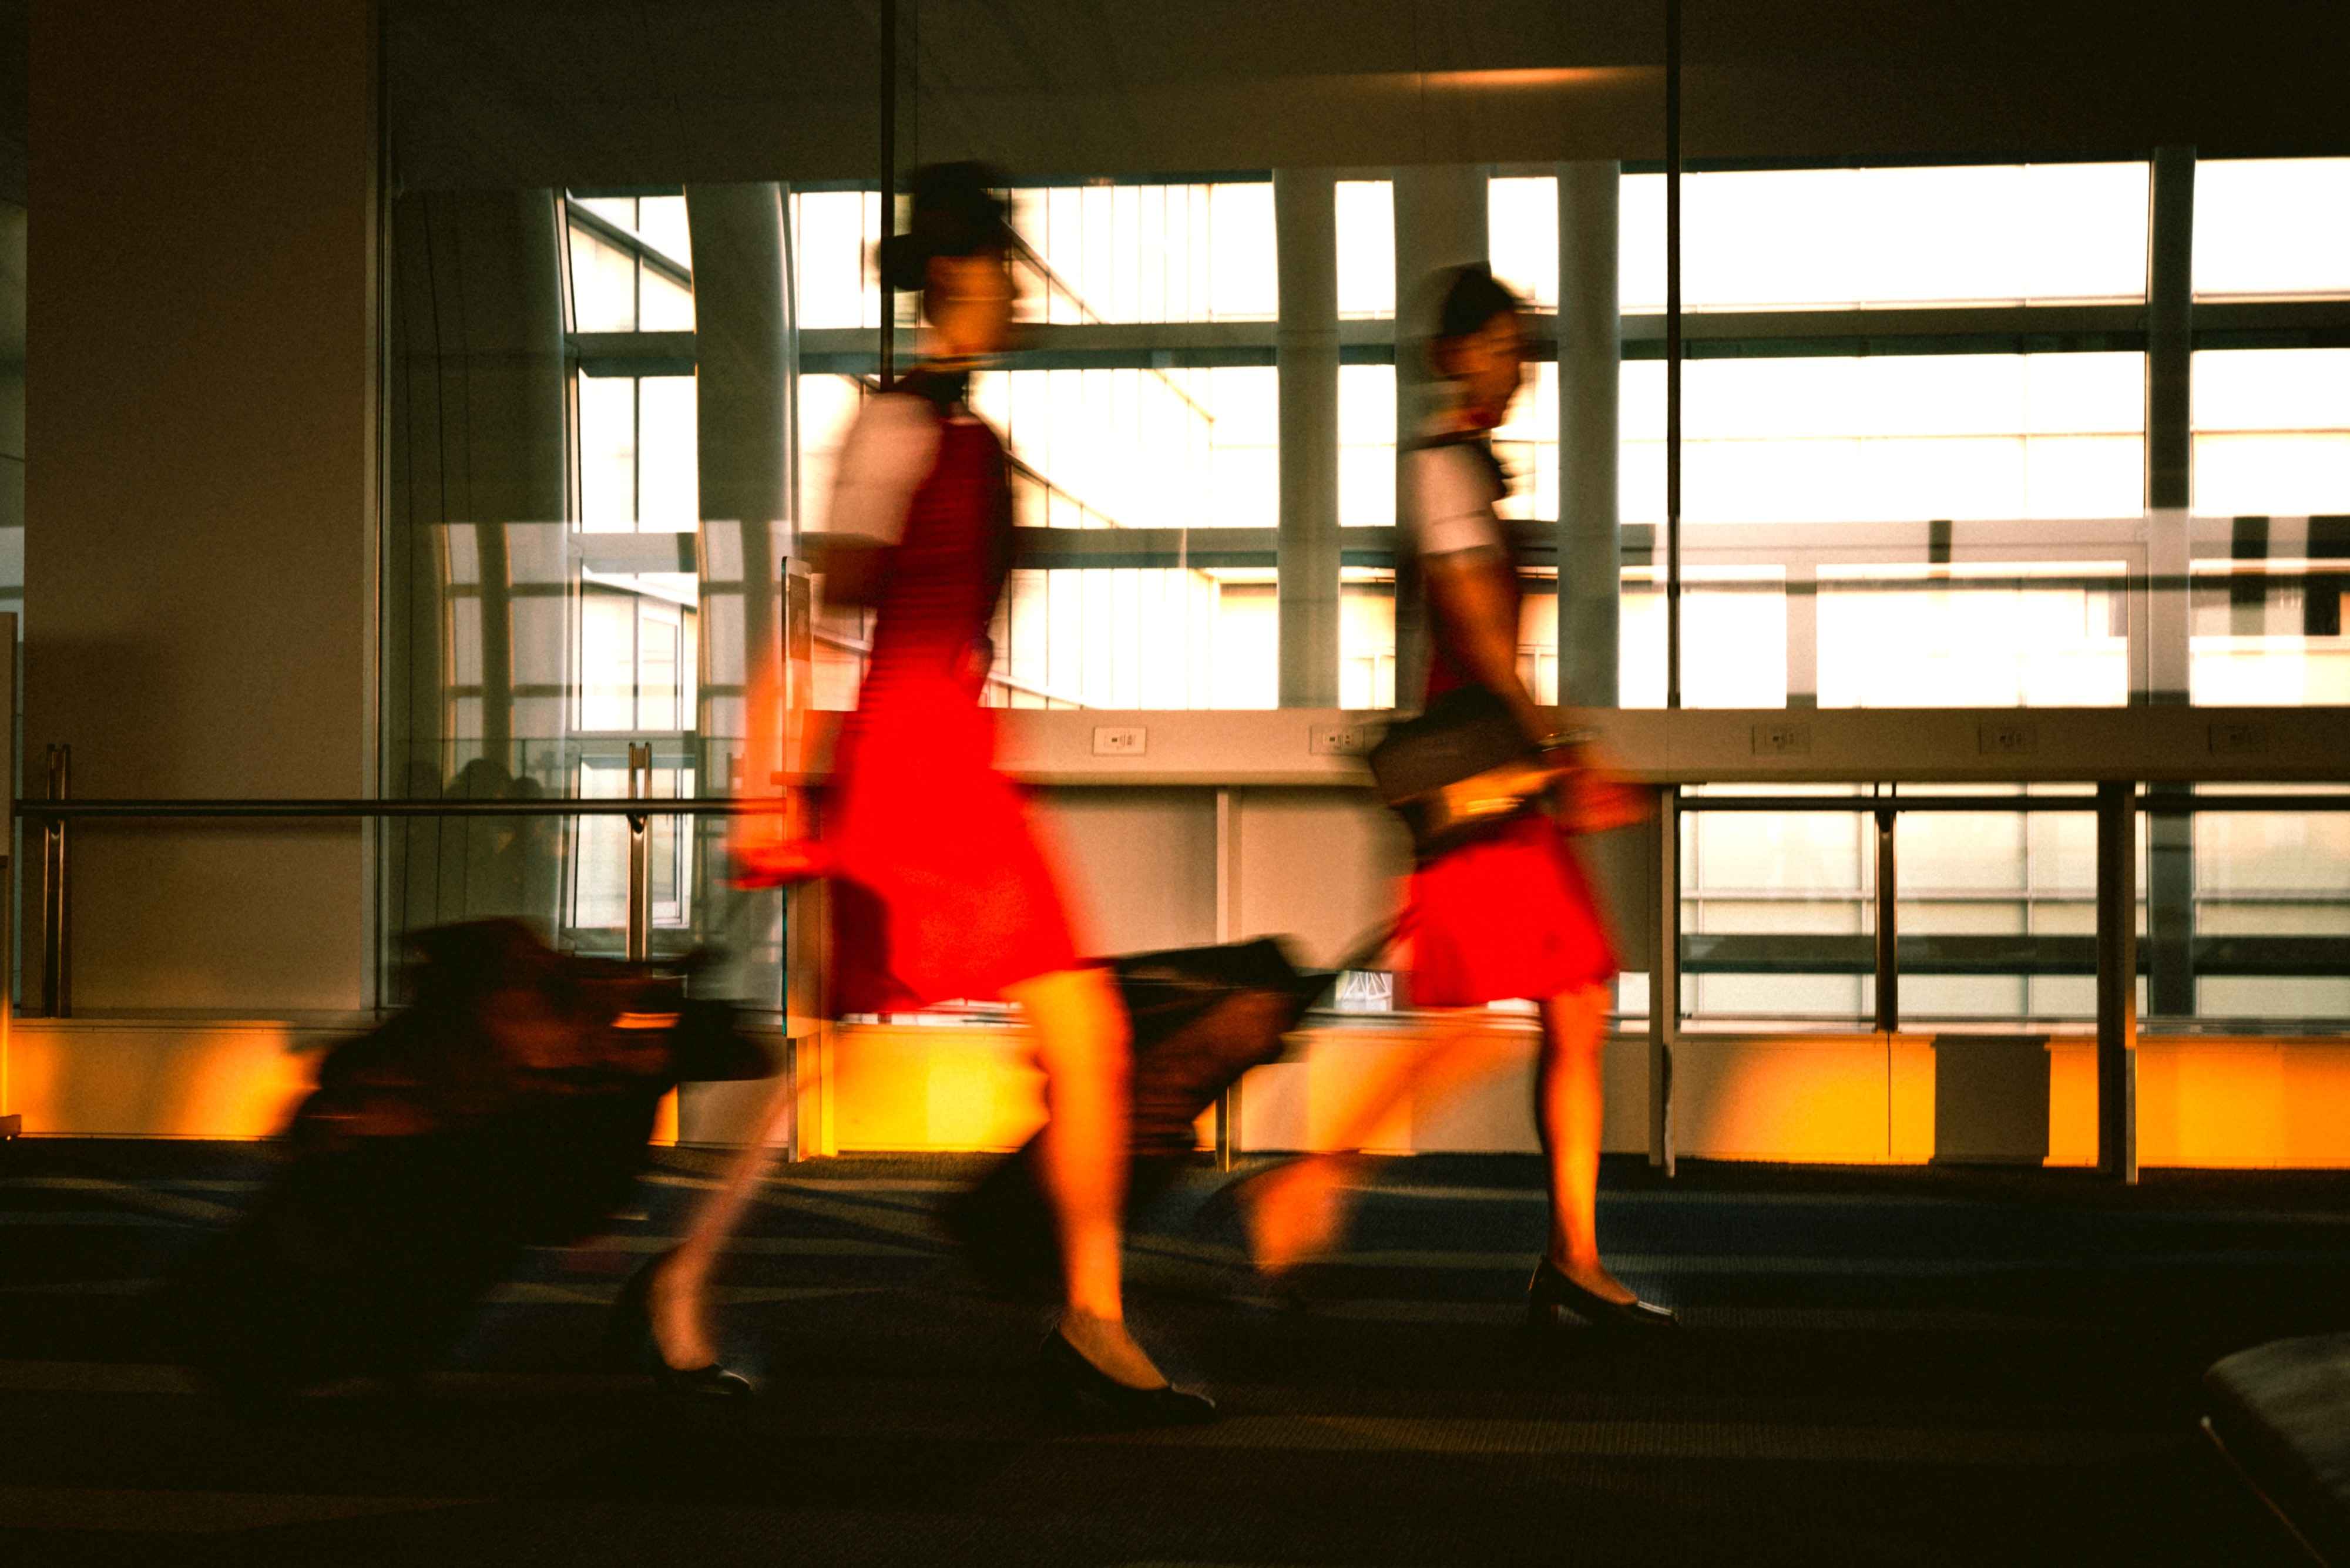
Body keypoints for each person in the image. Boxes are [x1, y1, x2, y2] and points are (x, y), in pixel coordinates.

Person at [674, 163, 1213, 1423]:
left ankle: (1088, 1317)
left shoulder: (949, 428)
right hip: (913, 770)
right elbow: (821, 599)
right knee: (896, 1040)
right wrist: (766, 776)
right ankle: (693, 1279)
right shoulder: (902, 424)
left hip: (942, 758)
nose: (1017, 289)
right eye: (1003, 267)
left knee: (989, 1038)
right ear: (956, 277)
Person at [1231, 264, 1674, 1334]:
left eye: (1522, 348)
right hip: (1486, 783)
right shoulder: (1445, 467)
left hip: (1497, 778)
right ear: (1451, 354)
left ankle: (1573, 1253)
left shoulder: (1464, 467)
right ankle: (1307, 1181)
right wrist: (1562, 750)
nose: (1515, 365)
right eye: (1497, 345)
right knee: (1477, 1019)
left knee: (1568, 1004)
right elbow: (1477, 630)